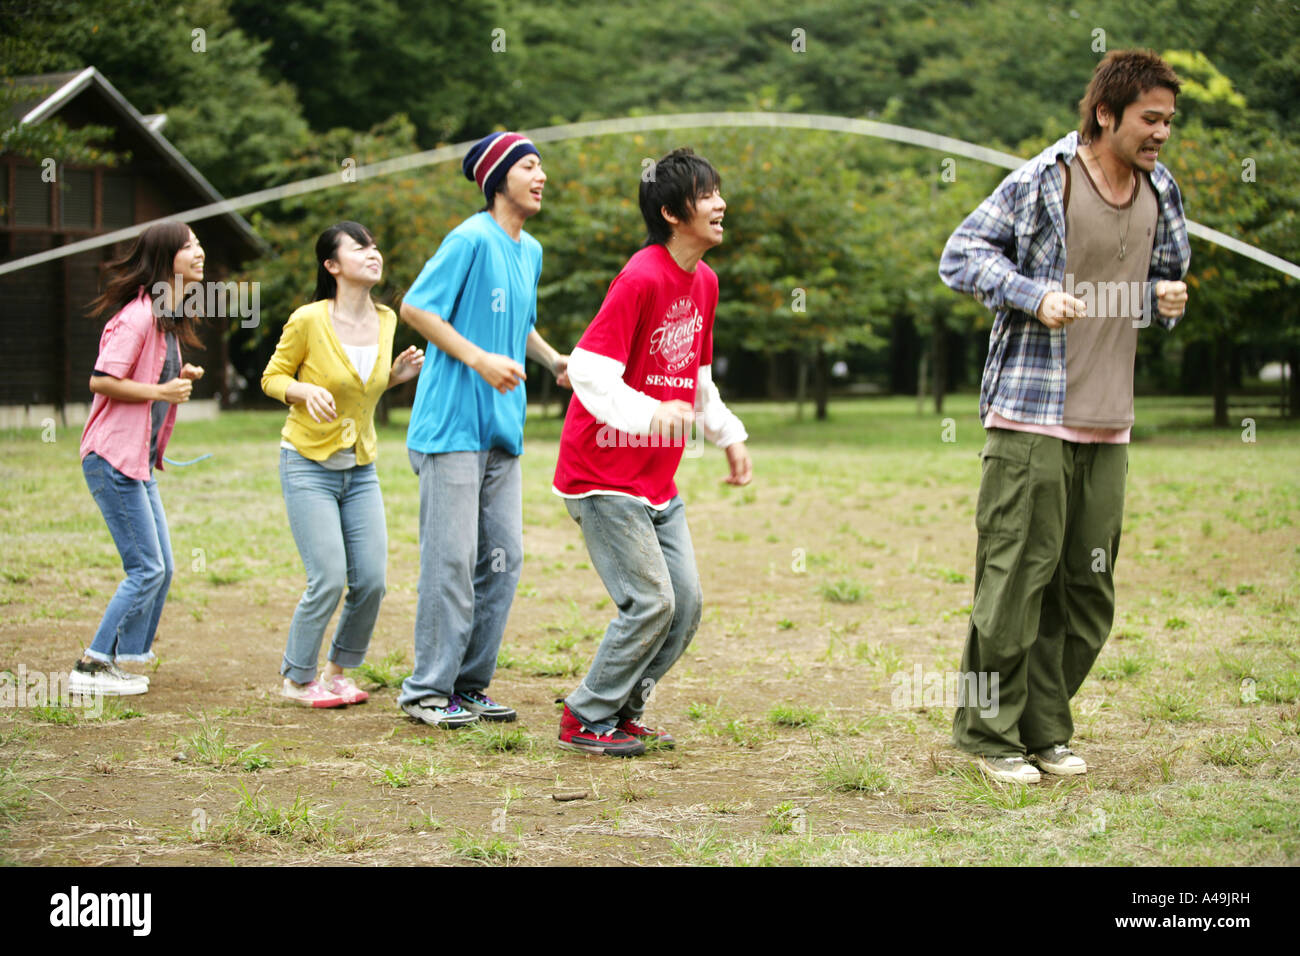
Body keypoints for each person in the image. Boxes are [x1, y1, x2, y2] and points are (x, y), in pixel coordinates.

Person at [938, 50, 1190, 783]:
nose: (1162, 133)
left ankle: (1044, 728)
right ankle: (988, 733)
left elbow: (1154, 282)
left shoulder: (1160, 190)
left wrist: (1166, 300)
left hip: (1110, 420)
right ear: (1106, 113)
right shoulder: (1043, 180)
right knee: (1016, 578)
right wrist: (1031, 293)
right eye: (1151, 118)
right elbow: (960, 255)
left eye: (1169, 120)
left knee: (1087, 589)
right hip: (1030, 416)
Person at [552, 147, 753, 756]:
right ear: (671, 212)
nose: (721, 203)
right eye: (706, 194)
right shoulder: (640, 276)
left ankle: (619, 711)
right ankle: (584, 716)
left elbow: (696, 377)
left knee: (684, 605)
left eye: (719, 191)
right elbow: (587, 370)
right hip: (601, 474)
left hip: (655, 483)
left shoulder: (706, 282)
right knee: (651, 601)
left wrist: (728, 433)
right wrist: (648, 413)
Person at [397, 131, 569, 728]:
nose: (540, 175)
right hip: (450, 425)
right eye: (528, 165)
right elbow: (417, 309)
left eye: (541, 165)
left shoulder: (532, 250)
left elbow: (520, 323)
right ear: (498, 178)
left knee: (503, 558)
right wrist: (476, 358)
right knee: (451, 559)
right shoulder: (469, 237)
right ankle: (426, 691)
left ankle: (468, 685)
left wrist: (554, 361)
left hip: (503, 425)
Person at [262, 222, 423, 707]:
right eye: (360, 248)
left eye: (375, 246)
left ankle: (337, 672)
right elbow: (272, 377)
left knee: (371, 579)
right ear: (332, 265)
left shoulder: (386, 319)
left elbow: (359, 388)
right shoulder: (309, 320)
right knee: (329, 577)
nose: (373, 254)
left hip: (360, 468)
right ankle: (296, 678)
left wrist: (394, 379)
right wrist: (303, 388)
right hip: (307, 463)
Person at [73, 221, 207, 696]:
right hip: (111, 459)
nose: (199, 251)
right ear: (165, 256)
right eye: (188, 245)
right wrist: (160, 389)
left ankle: (126, 653)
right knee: (146, 568)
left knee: (163, 566)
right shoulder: (138, 316)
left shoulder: (165, 317)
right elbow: (100, 380)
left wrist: (176, 375)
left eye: (198, 243)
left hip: (136, 463)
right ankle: (92, 663)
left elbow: (149, 381)